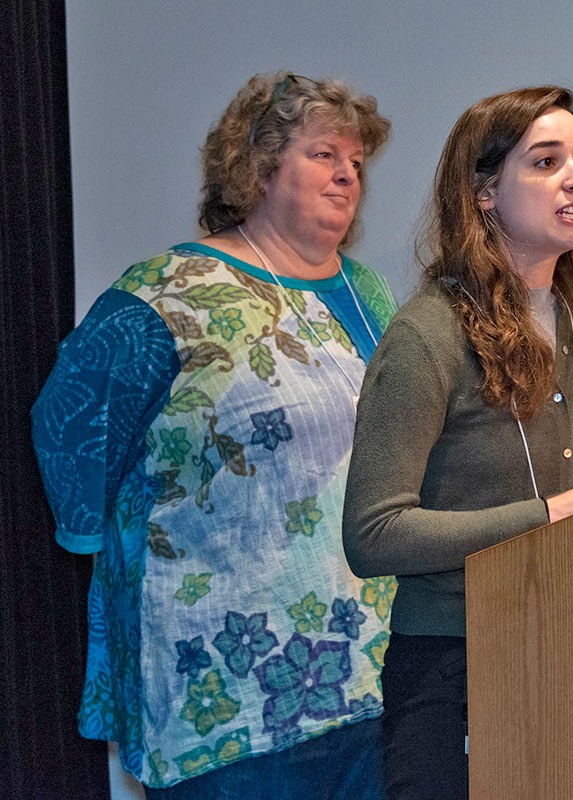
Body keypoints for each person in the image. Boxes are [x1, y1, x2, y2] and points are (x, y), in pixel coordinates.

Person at [32, 71, 397, 798]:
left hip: (370, 673)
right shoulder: (165, 292)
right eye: (324, 154)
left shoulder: (368, 291)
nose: (347, 174)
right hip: (228, 690)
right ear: (258, 167)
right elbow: (69, 421)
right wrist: (94, 539)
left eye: (355, 161)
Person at [342, 86, 573, 798]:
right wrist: (548, 517)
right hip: (451, 665)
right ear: (485, 192)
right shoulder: (427, 336)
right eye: (546, 162)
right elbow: (373, 534)